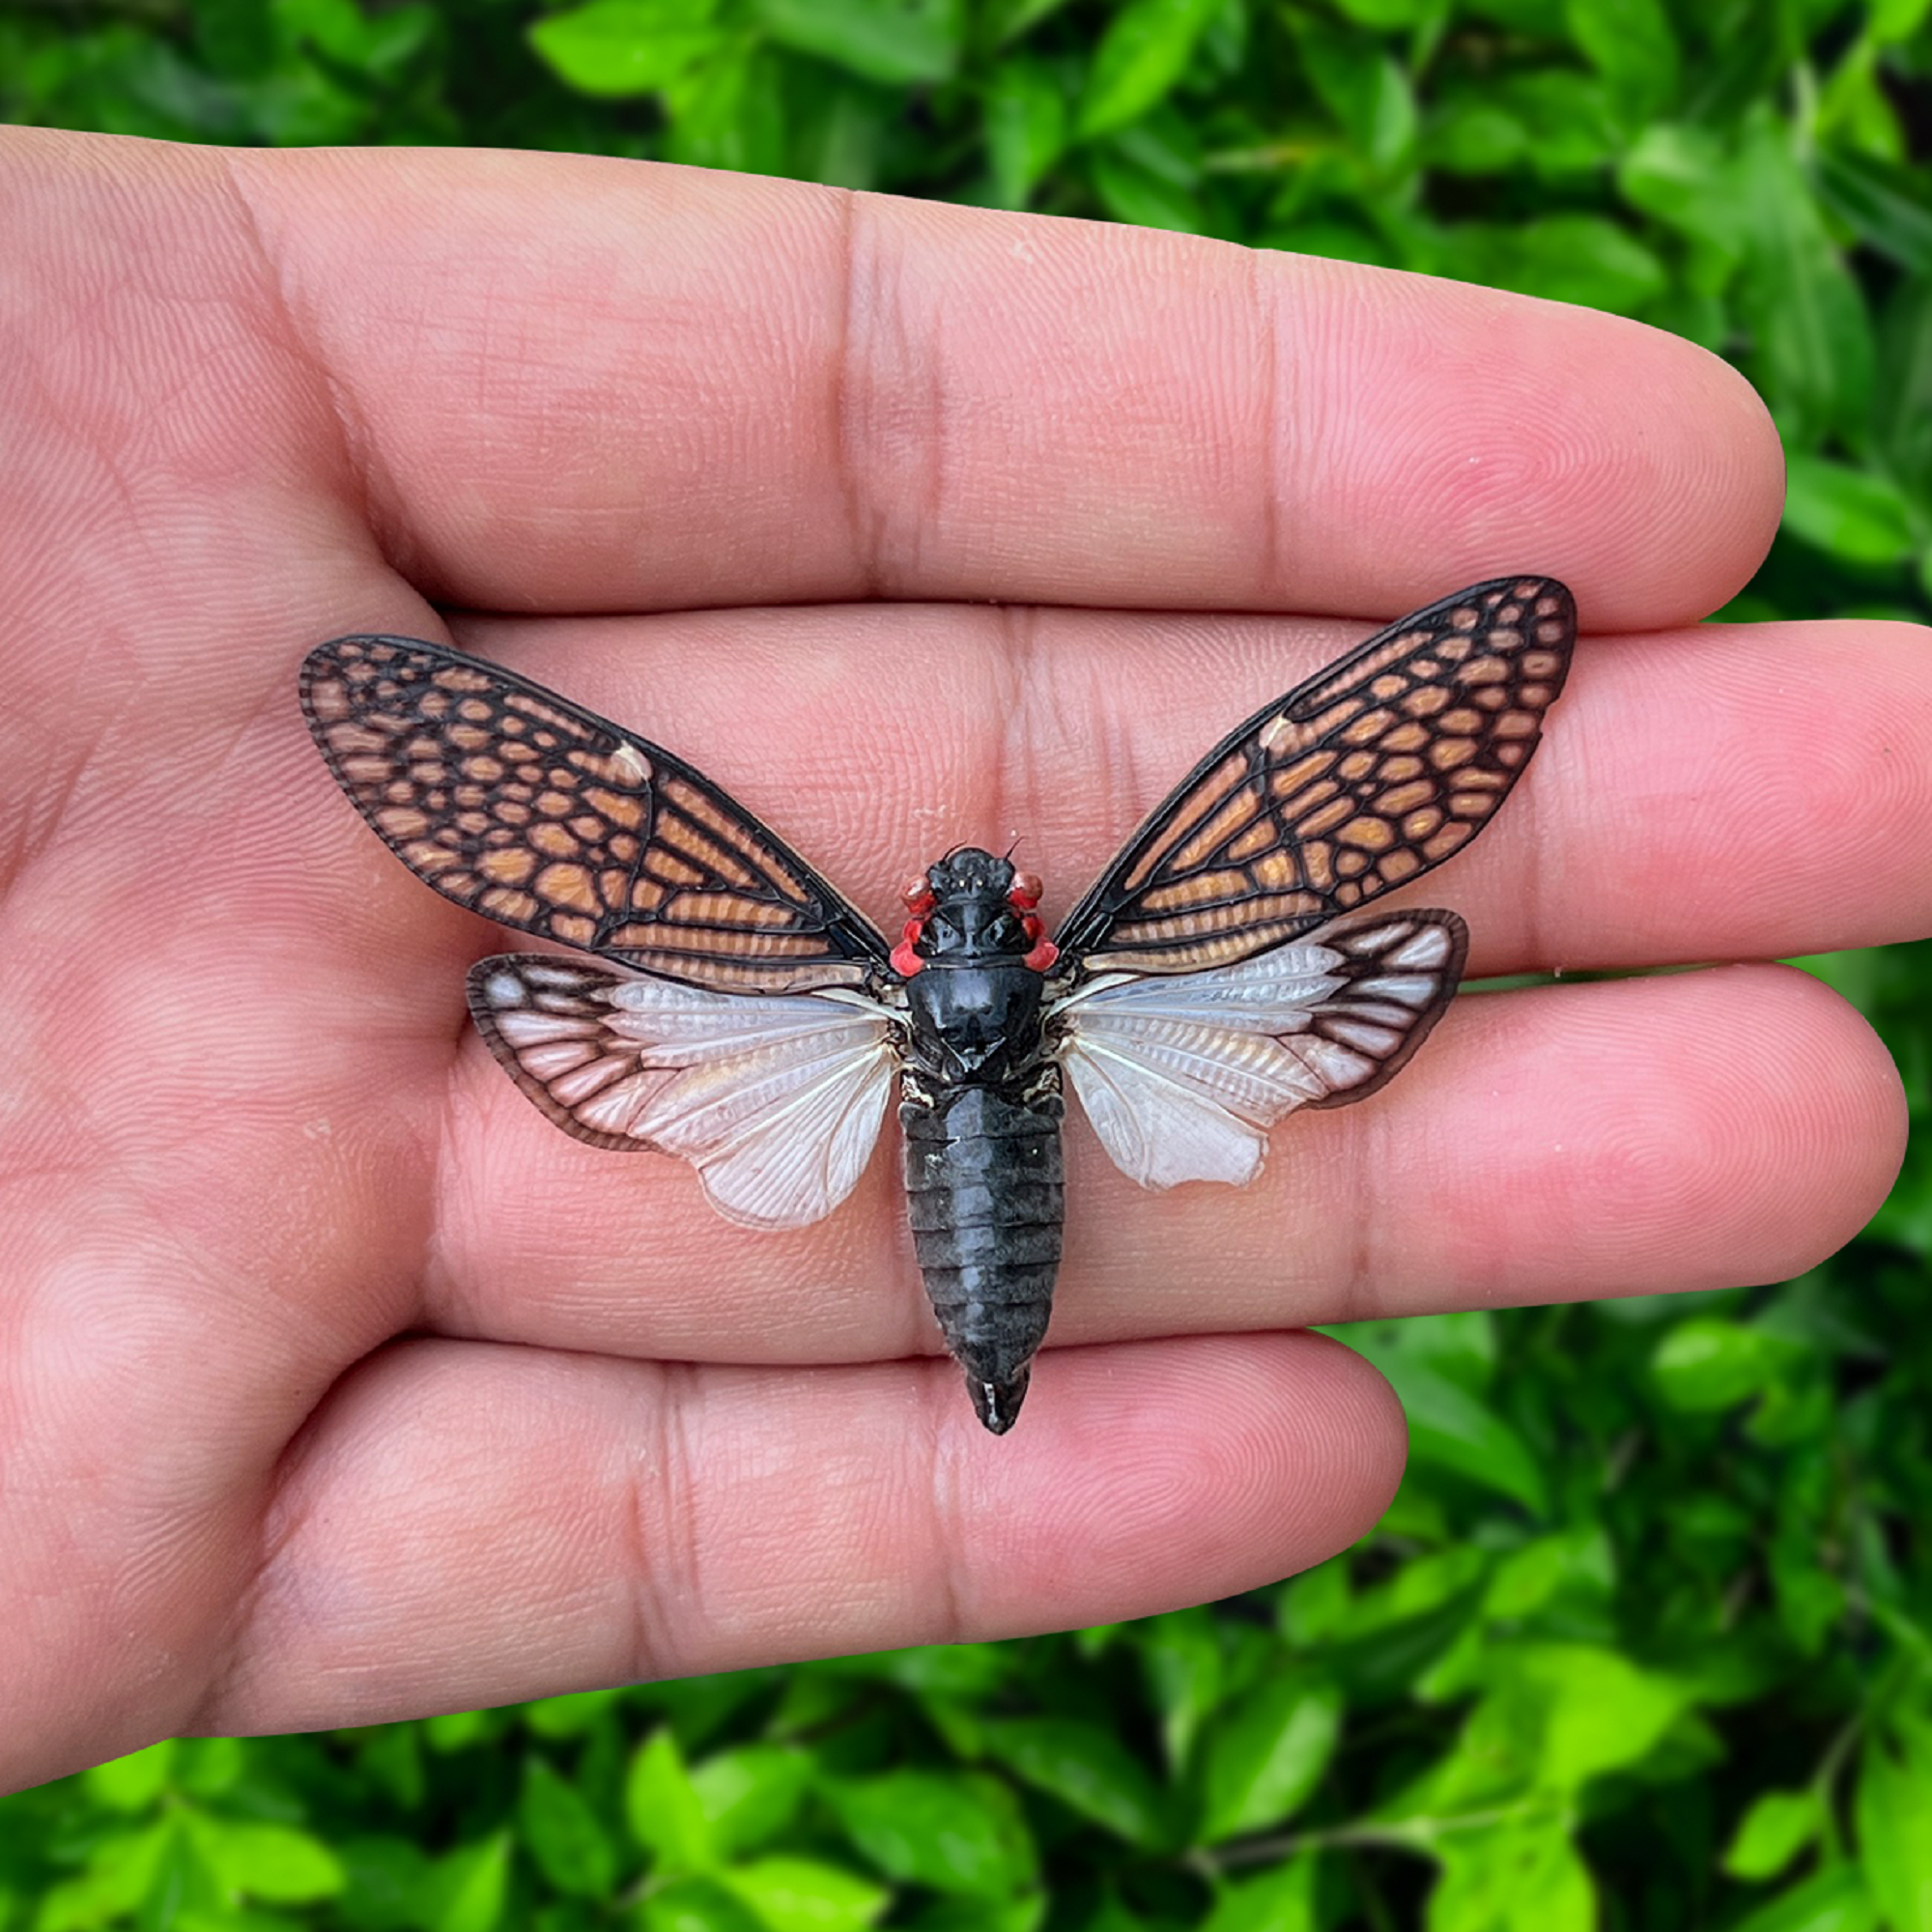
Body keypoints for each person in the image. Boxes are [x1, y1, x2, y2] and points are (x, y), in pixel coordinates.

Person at [0, 128, 1916, 1796]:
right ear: (997, 942)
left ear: (926, 949)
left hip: (867, 1080)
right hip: (1134, 1049)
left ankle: (982, 1336)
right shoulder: (1099, 945)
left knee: (562, 991)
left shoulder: (851, 961)